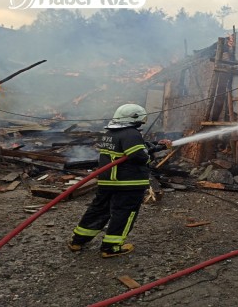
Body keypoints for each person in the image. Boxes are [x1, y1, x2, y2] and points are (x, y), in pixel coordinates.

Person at [68, 104, 171, 258]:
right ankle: (111, 247)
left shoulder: (111, 133)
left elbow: (132, 150)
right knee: (124, 213)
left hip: (108, 181)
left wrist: (157, 146)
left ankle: (78, 241)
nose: (142, 123)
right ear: (134, 118)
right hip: (128, 183)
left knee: (98, 210)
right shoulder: (131, 133)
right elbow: (138, 156)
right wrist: (151, 157)